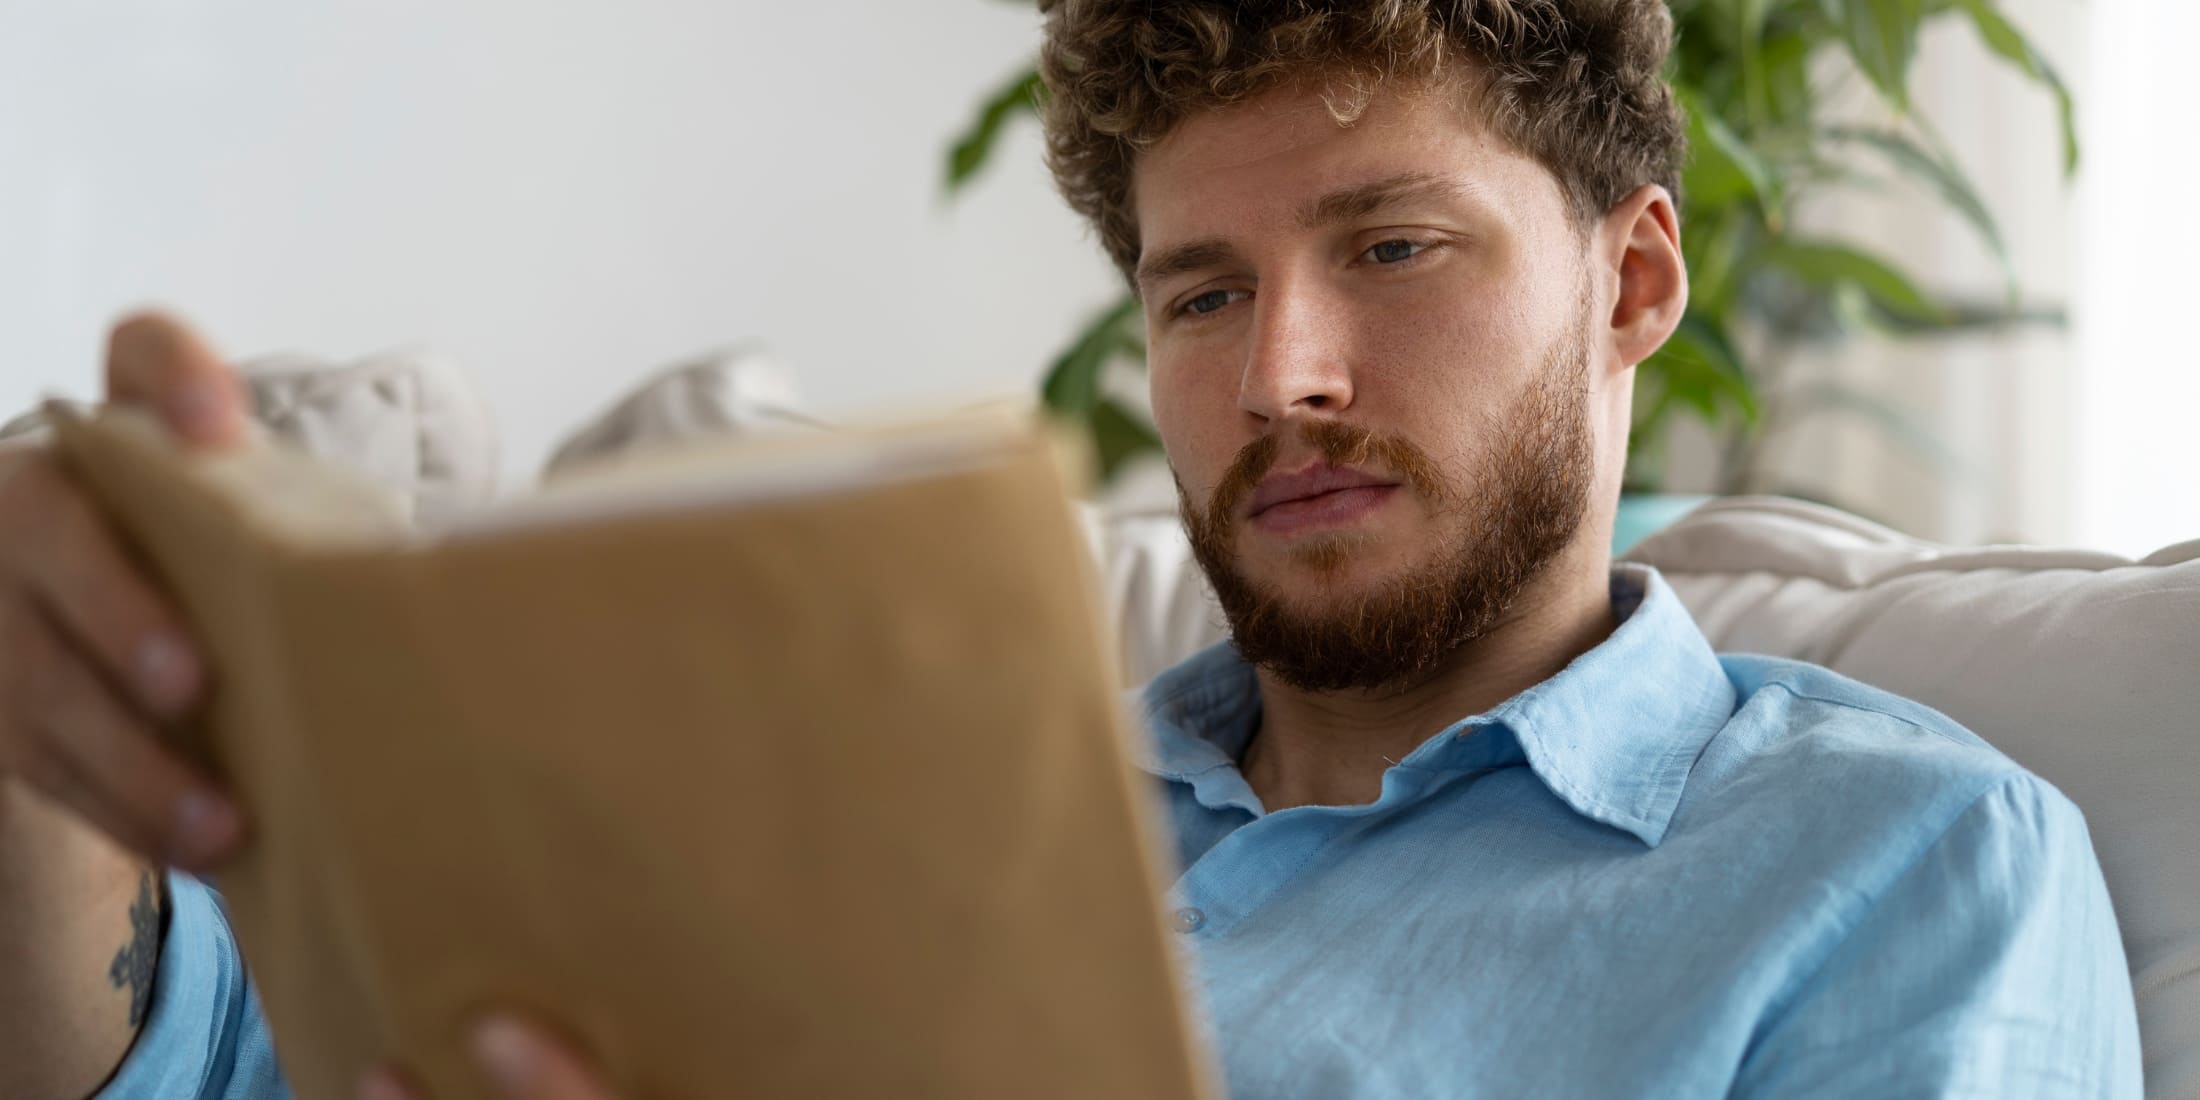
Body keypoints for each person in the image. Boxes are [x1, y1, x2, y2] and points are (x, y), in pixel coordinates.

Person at [0, 2, 2145, 1098]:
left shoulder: (1907, 867)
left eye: (1387, 245)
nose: (1276, 370)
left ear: (1630, 284)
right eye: (1196, 291)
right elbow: (168, 1059)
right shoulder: (888, 797)